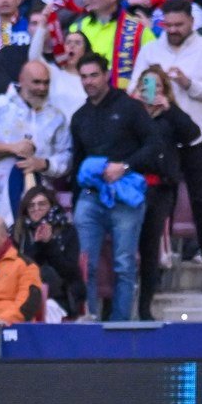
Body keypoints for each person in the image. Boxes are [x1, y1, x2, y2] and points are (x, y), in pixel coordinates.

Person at [71, 53, 161, 321]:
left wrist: (125, 167)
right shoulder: (79, 117)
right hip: (90, 196)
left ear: (107, 75)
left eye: (94, 75)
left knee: (124, 264)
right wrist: (76, 201)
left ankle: (121, 325)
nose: (89, 81)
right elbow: (76, 163)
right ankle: (89, 320)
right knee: (85, 264)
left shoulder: (130, 108)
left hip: (125, 194)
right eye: (84, 77)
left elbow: (154, 145)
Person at [129, 67, 200, 320]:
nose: (152, 91)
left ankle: (145, 308)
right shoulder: (131, 113)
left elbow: (193, 134)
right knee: (127, 249)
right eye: (146, 85)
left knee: (150, 250)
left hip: (160, 190)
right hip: (132, 189)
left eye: (157, 86)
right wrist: (134, 105)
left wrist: (170, 108)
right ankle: (121, 307)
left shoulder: (170, 116)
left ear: (165, 90)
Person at [0, 60, 72, 226]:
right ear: (22, 80)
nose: (42, 88)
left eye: (46, 83)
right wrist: (10, 148)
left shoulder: (56, 116)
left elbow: (66, 157)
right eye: (36, 82)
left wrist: (43, 164)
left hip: (40, 204)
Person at [69, 0, 155, 91]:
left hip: (123, 96)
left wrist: (148, 96)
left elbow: (153, 67)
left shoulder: (138, 30)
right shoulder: (77, 28)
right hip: (80, 93)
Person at [13, 186, 86, 318]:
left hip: (62, 294)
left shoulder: (67, 230)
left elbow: (69, 271)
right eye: (31, 205)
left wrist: (49, 243)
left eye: (42, 204)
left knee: (49, 307)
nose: (36, 209)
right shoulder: (18, 231)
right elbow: (18, 268)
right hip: (25, 290)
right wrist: (36, 244)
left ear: (51, 205)